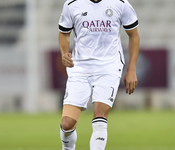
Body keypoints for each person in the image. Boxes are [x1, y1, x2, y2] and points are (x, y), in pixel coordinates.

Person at [58, 0, 140, 149]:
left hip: (108, 67)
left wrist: (132, 69)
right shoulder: (72, 4)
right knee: (67, 124)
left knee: (100, 116)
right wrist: (64, 53)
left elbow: (134, 35)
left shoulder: (120, 3)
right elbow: (63, 33)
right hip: (80, 69)